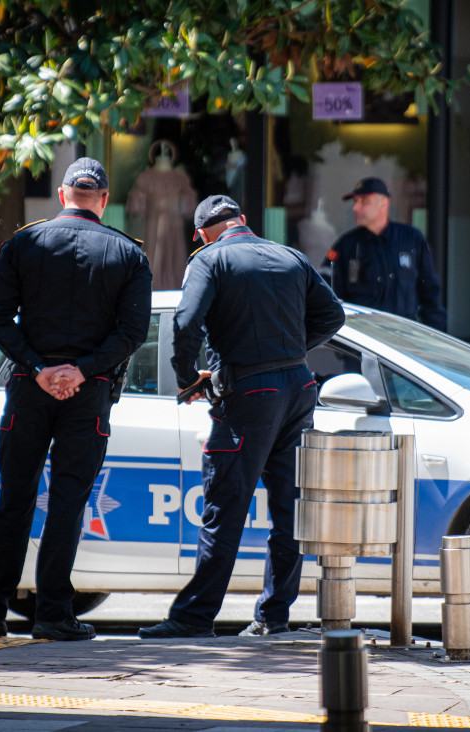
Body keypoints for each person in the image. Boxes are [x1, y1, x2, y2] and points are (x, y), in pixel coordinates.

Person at [138, 195, 344, 639]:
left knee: (224, 506)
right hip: (298, 387)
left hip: (250, 393)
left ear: (203, 233)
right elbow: (334, 314)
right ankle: (273, 616)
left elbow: (186, 323)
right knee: (290, 509)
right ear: (244, 221)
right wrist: (288, 349)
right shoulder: (290, 256)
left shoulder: (209, 260)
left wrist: (188, 379)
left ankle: (194, 618)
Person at [0, 157, 152, 641]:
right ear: (103, 198)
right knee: (68, 502)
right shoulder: (127, 253)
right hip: (88, 393)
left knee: (14, 500)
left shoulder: (23, 242)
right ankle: (53, 614)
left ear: (61, 194)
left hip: (29, 387)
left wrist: (37, 367)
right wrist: (81, 370)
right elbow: (133, 331)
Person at [326, 176, 447, 330]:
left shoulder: (410, 239)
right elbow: (329, 291)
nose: (356, 208)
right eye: (355, 202)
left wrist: (434, 340)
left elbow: (430, 291)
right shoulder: (347, 245)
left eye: (364, 201)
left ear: (383, 203)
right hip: (363, 342)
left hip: (403, 339)